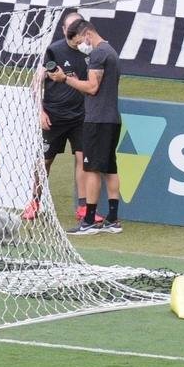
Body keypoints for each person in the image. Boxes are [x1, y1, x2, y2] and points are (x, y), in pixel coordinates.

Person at [23, 9, 101, 225]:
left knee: (82, 160)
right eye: (72, 27)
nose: (77, 31)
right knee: (45, 161)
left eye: (80, 26)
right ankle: (34, 202)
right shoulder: (54, 51)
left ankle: (84, 207)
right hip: (53, 117)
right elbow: (36, 83)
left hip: (80, 117)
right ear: (64, 30)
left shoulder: (91, 53)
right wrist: (40, 111)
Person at [48, 19, 123, 235]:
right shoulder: (111, 52)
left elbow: (92, 87)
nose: (81, 46)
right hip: (111, 118)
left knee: (91, 169)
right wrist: (74, 80)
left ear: (87, 34)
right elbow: (97, 89)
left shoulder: (99, 54)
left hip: (97, 120)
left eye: (80, 41)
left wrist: (65, 80)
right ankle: (112, 219)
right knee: (109, 168)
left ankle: (89, 220)